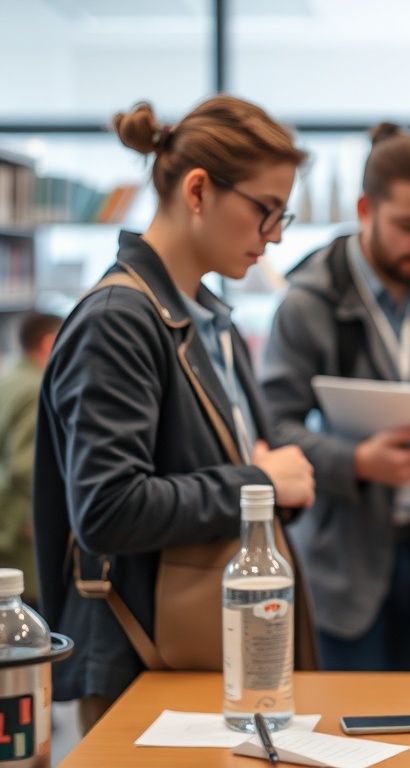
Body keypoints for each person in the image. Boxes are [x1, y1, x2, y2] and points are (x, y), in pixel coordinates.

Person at [33, 95, 316, 733]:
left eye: (283, 214)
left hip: (210, 656)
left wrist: (272, 485)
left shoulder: (206, 317)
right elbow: (108, 508)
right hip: (144, 668)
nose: (274, 235)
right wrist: (261, 485)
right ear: (197, 191)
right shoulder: (118, 323)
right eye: (266, 210)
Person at [260, 122, 410, 672]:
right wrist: (358, 462)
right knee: (346, 732)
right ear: (365, 208)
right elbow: (274, 426)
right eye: (408, 226)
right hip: (341, 557)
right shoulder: (307, 305)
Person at [0, 311, 62, 608]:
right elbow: (26, 466)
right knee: (27, 621)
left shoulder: (10, 379)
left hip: (6, 522)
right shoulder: (35, 388)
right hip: (21, 528)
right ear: (50, 343)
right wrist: (42, 513)